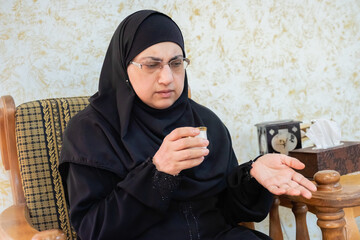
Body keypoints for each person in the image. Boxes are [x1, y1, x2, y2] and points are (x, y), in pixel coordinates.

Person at [59, 10, 316, 240]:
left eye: (176, 63)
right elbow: (94, 230)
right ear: (124, 67)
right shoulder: (90, 132)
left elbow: (227, 211)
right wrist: (158, 172)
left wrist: (253, 176)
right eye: (152, 65)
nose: (167, 78)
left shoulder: (205, 122)